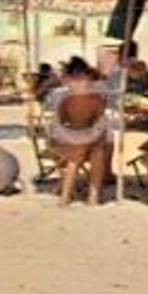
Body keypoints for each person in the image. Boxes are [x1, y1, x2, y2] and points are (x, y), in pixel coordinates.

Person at [46, 57, 110, 206]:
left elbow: (59, 122)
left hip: (61, 141)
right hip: (69, 143)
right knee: (97, 149)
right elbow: (98, 119)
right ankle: (93, 195)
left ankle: (65, 196)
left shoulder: (58, 94)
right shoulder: (95, 98)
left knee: (86, 149)